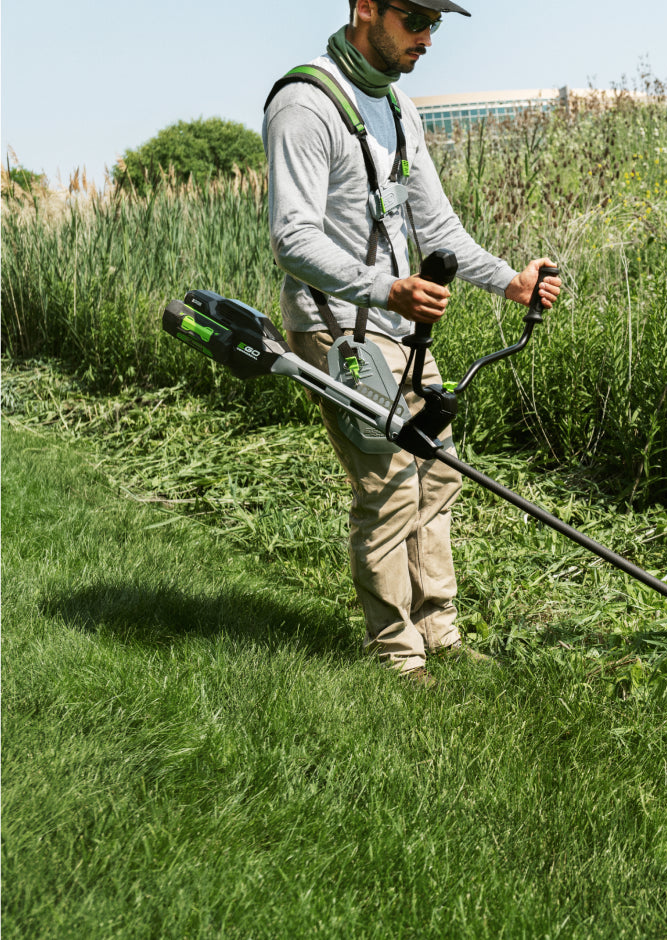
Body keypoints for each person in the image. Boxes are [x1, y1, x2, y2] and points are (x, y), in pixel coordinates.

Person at [263, 0, 561, 685]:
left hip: (397, 326)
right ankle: (397, 655)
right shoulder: (304, 105)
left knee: (439, 469)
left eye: (435, 24)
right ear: (365, 7)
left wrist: (508, 282)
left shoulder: (397, 105)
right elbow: (293, 238)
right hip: (335, 326)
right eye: (414, 19)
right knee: (391, 484)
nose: (426, 38)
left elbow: (439, 229)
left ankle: (439, 632)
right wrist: (384, 288)